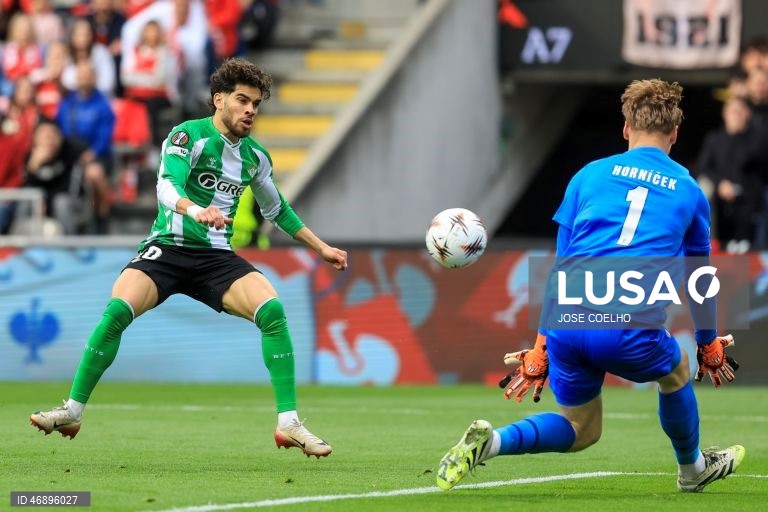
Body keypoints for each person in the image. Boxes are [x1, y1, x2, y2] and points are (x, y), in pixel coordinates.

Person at [29, 57, 348, 459]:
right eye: (242, 100)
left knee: (272, 311)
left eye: (256, 104)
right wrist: (196, 210)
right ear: (218, 100)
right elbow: (166, 185)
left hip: (215, 258)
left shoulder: (255, 157)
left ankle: (289, 423)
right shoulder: (187, 136)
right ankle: (72, 411)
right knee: (116, 312)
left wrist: (321, 248)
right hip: (168, 248)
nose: (250, 110)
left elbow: (277, 209)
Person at [436, 79, 744, 492]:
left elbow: (560, 267)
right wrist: (707, 343)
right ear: (674, 133)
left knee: (580, 427)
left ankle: (492, 442)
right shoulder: (689, 190)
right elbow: (700, 278)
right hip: (628, 321)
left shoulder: (587, 176)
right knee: (677, 372)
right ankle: (692, 471)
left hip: (568, 319)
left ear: (625, 128)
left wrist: (541, 345)